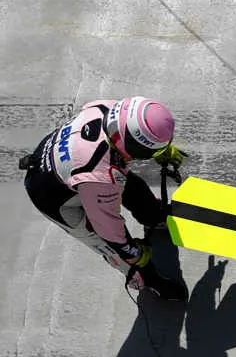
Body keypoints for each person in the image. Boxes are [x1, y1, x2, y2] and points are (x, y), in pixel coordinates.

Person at [21, 96, 187, 300]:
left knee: (133, 187)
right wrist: (134, 253)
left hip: (65, 164)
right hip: (53, 197)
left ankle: (153, 218)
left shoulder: (107, 108)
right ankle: (149, 281)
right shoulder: (100, 175)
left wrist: (159, 149)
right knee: (113, 249)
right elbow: (108, 229)